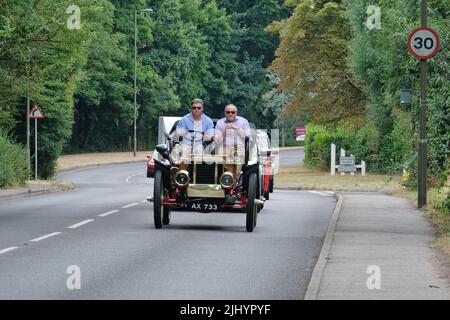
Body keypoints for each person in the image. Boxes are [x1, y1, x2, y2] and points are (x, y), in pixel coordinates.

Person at [174, 98, 214, 167]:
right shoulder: (184, 119)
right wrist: (181, 133)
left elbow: (211, 133)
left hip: (202, 145)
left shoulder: (208, 121)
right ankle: (183, 175)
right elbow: (178, 133)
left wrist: (208, 136)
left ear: (202, 109)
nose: (196, 109)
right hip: (186, 144)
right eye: (194, 108)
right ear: (191, 108)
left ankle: (200, 175)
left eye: (199, 108)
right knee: (184, 152)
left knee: (202, 153)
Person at [215, 104, 251, 176]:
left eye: (233, 112)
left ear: (236, 113)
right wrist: (225, 131)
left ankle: (234, 178)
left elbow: (247, 136)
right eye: (228, 112)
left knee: (238, 155)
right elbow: (217, 141)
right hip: (224, 147)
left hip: (239, 147)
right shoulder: (220, 123)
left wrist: (236, 128)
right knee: (224, 155)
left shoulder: (243, 121)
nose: (230, 114)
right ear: (225, 113)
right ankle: (227, 178)